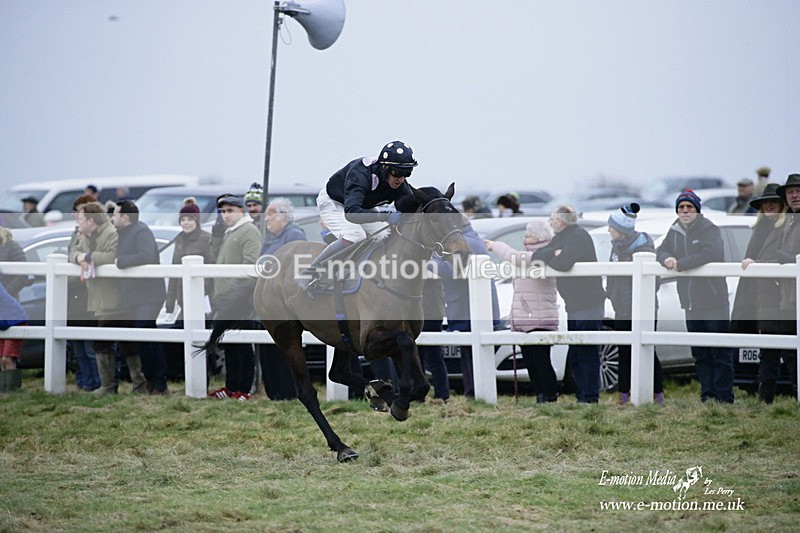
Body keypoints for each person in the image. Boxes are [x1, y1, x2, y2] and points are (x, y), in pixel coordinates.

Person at [295, 140, 416, 291]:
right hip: (335, 203)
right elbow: (352, 214)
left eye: (407, 173)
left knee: (385, 234)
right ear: (384, 168)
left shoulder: (400, 184)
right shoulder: (360, 174)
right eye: (397, 173)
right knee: (355, 234)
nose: (401, 179)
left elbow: (412, 207)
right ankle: (309, 273)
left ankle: (359, 269)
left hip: (361, 207)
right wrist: (385, 216)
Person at [656, 189, 734, 403]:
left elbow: (711, 253)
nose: (685, 211)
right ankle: (707, 395)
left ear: (697, 210)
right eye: (681, 207)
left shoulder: (709, 228)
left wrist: (681, 263)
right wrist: (667, 259)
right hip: (690, 303)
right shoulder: (674, 230)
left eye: (689, 207)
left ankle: (724, 397)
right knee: (700, 352)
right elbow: (661, 251)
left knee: (719, 352)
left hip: (713, 299)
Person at [532, 205, 606, 403]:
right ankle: (582, 395)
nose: (550, 223)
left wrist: (556, 254)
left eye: (552, 219)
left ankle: (589, 397)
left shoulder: (578, 236)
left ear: (561, 221)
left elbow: (563, 263)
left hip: (588, 302)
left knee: (587, 352)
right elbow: (537, 255)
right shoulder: (562, 237)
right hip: (574, 304)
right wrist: (553, 253)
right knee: (576, 352)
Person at [485, 219, 559, 403]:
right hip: (527, 318)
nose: (525, 238)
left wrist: (496, 245)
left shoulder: (543, 255)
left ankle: (549, 396)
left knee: (541, 361)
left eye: (528, 235)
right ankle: (541, 396)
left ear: (538, 237)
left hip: (540, 319)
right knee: (531, 361)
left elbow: (516, 257)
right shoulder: (530, 254)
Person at [432, 218, 501, 399]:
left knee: (472, 357)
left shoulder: (465, 243)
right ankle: (473, 393)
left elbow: (453, 270)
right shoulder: (472, 239)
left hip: (467, 310)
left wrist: (430, 260)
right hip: (470, 309)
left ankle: (474, 394)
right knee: (471, 356)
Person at [70, 202, 135, 394]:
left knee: (126, 344)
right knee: (102, 342)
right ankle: (108, 386)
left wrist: (88, 256)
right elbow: (72, 252)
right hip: (97, 298)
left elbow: (111, 256)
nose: (78, 222)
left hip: (117, 298)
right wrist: (79, 258)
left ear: (91, 220)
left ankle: (134, 385)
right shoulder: (84, 235)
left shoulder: (111, 233)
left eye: (81, 218)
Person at [732, 183, 788, 402]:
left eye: (773, 202)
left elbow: (784, 257)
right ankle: (763, 396)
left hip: (774, 294)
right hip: (753, 295)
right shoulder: (758, 229)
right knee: (764, 348)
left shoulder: (785, 228)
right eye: (766, 203)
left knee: (774, 349)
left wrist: (758, 263)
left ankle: (768, 397)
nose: (769, 206)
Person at [604, 203, 664, 404]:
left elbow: (653, 282)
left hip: (642, 309)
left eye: (611, 226)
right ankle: (622, 395)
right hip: (621, 308)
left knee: (647, 351)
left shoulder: (644, 247)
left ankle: (656, 394)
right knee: (624, 351)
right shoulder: (616, 247)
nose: (609, 230)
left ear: (620, 229)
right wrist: (611, 294)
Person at [113, 200, 169, 394]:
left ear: (125, 218)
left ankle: (159, 381)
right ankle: (151, 382)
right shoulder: (122, 234)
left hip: (149, 294)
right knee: (143, 336)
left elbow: (146, 255)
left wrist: (121, 262)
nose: (113, 218)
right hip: (134, 295)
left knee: (145, 331)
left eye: (115, 215)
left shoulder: (141, 231)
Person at [209, 195, 261, 400]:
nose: (225, 215)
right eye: (223, 212)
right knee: (230, 345)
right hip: (226, 299)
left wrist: (234, 294)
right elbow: (216, 257)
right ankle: (231, 386)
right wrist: (216, 237)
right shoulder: (231, 232)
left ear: (241, 211)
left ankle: (244, 389)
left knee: (242, 345)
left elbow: (251, 263)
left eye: (230, 211)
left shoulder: (249, 231)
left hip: (240, 300)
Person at [257, 198, 306, 400]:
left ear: (284, 216)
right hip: (267, 301)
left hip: (282, 304)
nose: (266, 218)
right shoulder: (269, 238)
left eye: (270, 214)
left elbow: (294, 267)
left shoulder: (294, 235)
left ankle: (287, 392)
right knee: (267, 349)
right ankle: (274, 391)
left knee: (283, 348)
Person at [768, 174, 800, 400]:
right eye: (790, 192)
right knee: (789, 351)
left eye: (798, 191)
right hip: (788, 298)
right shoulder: (788, 221)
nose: (795, 196)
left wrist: (789, 258)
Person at [67, 194, 103, 391]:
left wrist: (83, 256)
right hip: (76, 292)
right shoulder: (76, 233)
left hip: (91, 292)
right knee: (78, 344)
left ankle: (97, 382)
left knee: (91, 344)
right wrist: (79, 257)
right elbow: (71, 255)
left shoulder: (97, 234)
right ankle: (85, 382)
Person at [165, 200, 214, 320]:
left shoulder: (206, 239)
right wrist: (170, 303)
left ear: (196, 221)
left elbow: (212, 267)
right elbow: (174, 272)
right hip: (182, 298)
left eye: (190, 219)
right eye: (183, 220)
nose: (186, 223)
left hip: (202, 298)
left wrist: (203, 291)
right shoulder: (179, 239)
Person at [418, 277, 450, 402]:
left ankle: (441, 394)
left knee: (433, 356)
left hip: (430, 312)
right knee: (422, 356)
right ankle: (423, 393)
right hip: (424, 311)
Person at [0, 281, 28, 392]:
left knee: (7, 359)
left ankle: (13, 391)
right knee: (1, 360)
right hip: (3, 324)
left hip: (16, 321)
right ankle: (4, 390)